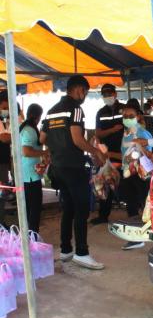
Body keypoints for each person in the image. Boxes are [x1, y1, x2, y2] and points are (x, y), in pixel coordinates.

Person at [41, 75, 106, 270]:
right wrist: (95, 152)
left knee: (68, 208)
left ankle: (66, 250)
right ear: (80, 90)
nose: (84, 96)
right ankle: (82, 253)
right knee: (81, 209)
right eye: (85, 92)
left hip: (57, 168)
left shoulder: (51, 111)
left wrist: (58, 145)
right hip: (74, 167)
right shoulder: (76, 109)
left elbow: (43, 138)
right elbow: (77, 139)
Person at [108, 102, 153, 250]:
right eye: (125, 116)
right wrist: (108, 154)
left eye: (131, 116)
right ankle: (135, 238)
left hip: (141, 175)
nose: (127, 118)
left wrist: (140, 149)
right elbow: (124, 155)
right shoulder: (125, 134)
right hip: (128, 173)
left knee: (146, 205)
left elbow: (150, 155)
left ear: (138, 117)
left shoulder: (142, 133)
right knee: (131, 205)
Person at [91, 84, 124, 225]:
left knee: (127, 182)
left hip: (123, 152)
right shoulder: (101, 112)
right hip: (105, 154)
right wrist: (113, 130)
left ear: (115, 94)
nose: (107, 97)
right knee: (105, 184)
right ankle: (103, 215)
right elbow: (98, 133)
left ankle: (133, 213)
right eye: (104, 95)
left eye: (109, 94)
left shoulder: (124, 109)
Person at [20, 104, 48, 233]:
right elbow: (26, 152)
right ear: (38, 116)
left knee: (28, 209)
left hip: (27, 174)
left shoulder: (25, 128)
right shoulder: (29, 130)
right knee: (34, 209)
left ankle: (28, 235)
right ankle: (33, 237)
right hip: (30, 176)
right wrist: (45, 153)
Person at [0, 91, 11, 223]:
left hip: (3, 161)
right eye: (5, 107)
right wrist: (16, 136)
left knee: (3, 192)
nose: (7, 110)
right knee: (2, 192)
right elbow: (4, 138)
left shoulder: (4, 119)